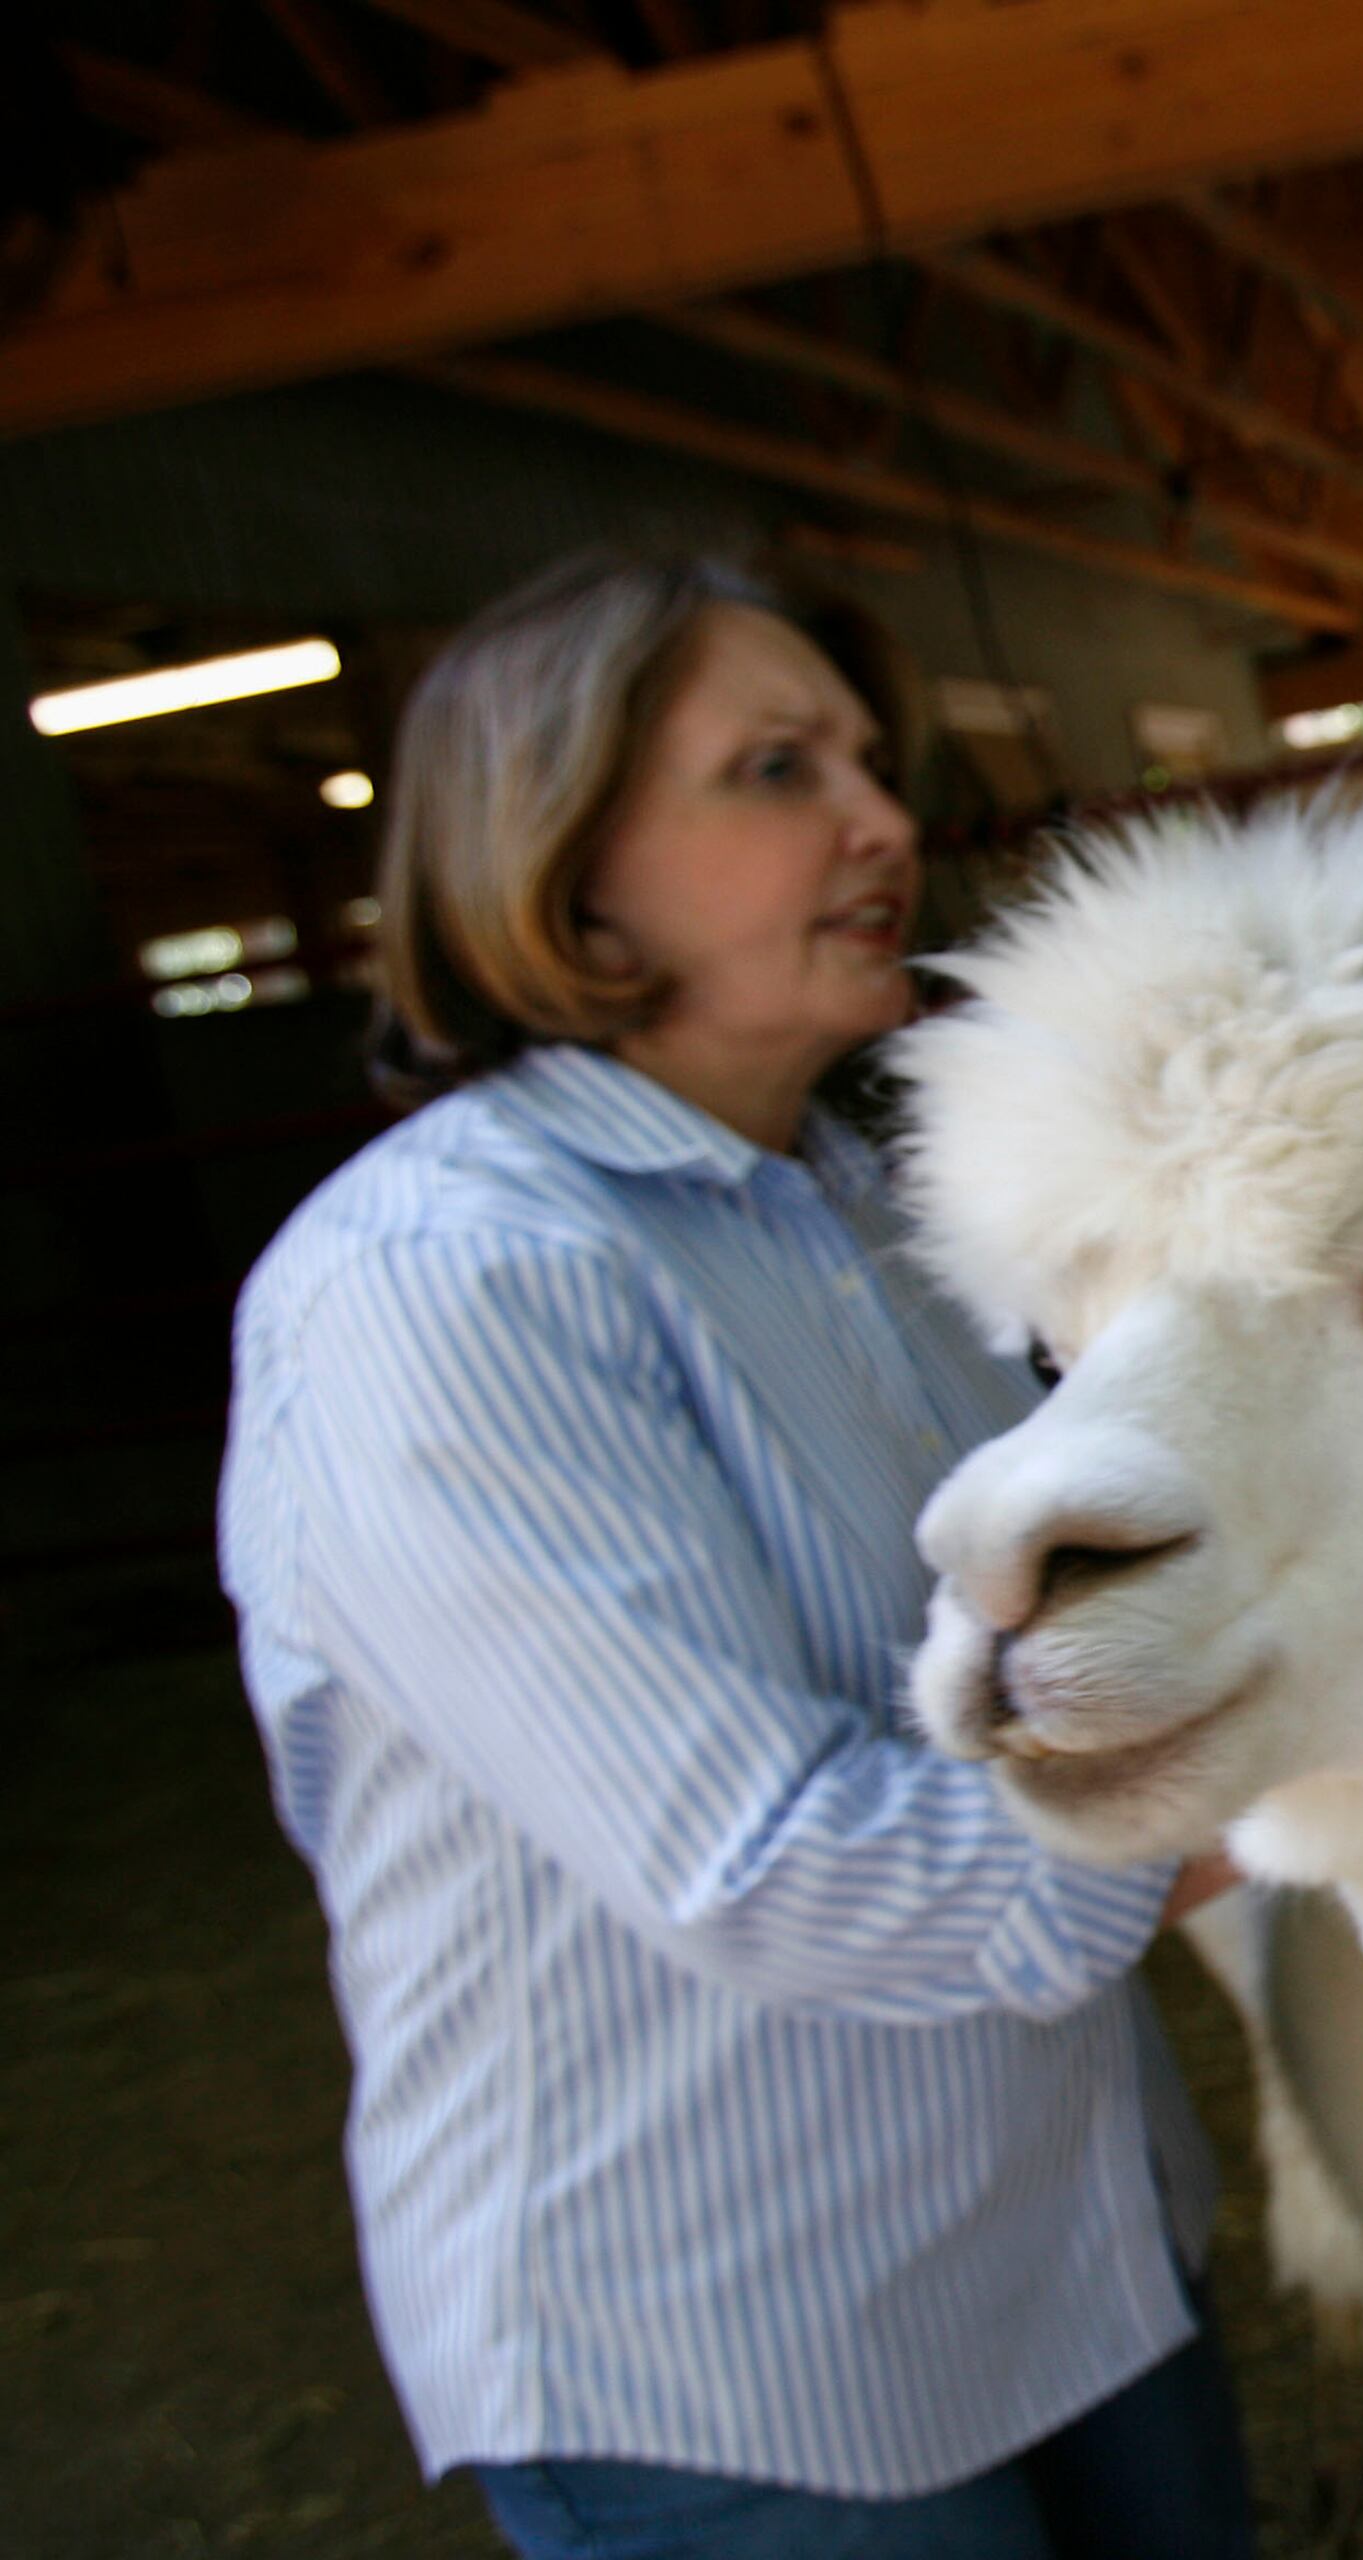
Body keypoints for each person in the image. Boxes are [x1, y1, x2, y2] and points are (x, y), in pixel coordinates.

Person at [218, 552, 1257, 2560]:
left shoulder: (882, 1209)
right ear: (565, 866)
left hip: (1068, 2239)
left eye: (865, 762)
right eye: (777, 770)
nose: (879, 821)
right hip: (730, 2344)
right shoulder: (441, 1284)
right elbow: (768, 1858)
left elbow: (1079, 1638)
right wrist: (1309, 1773)